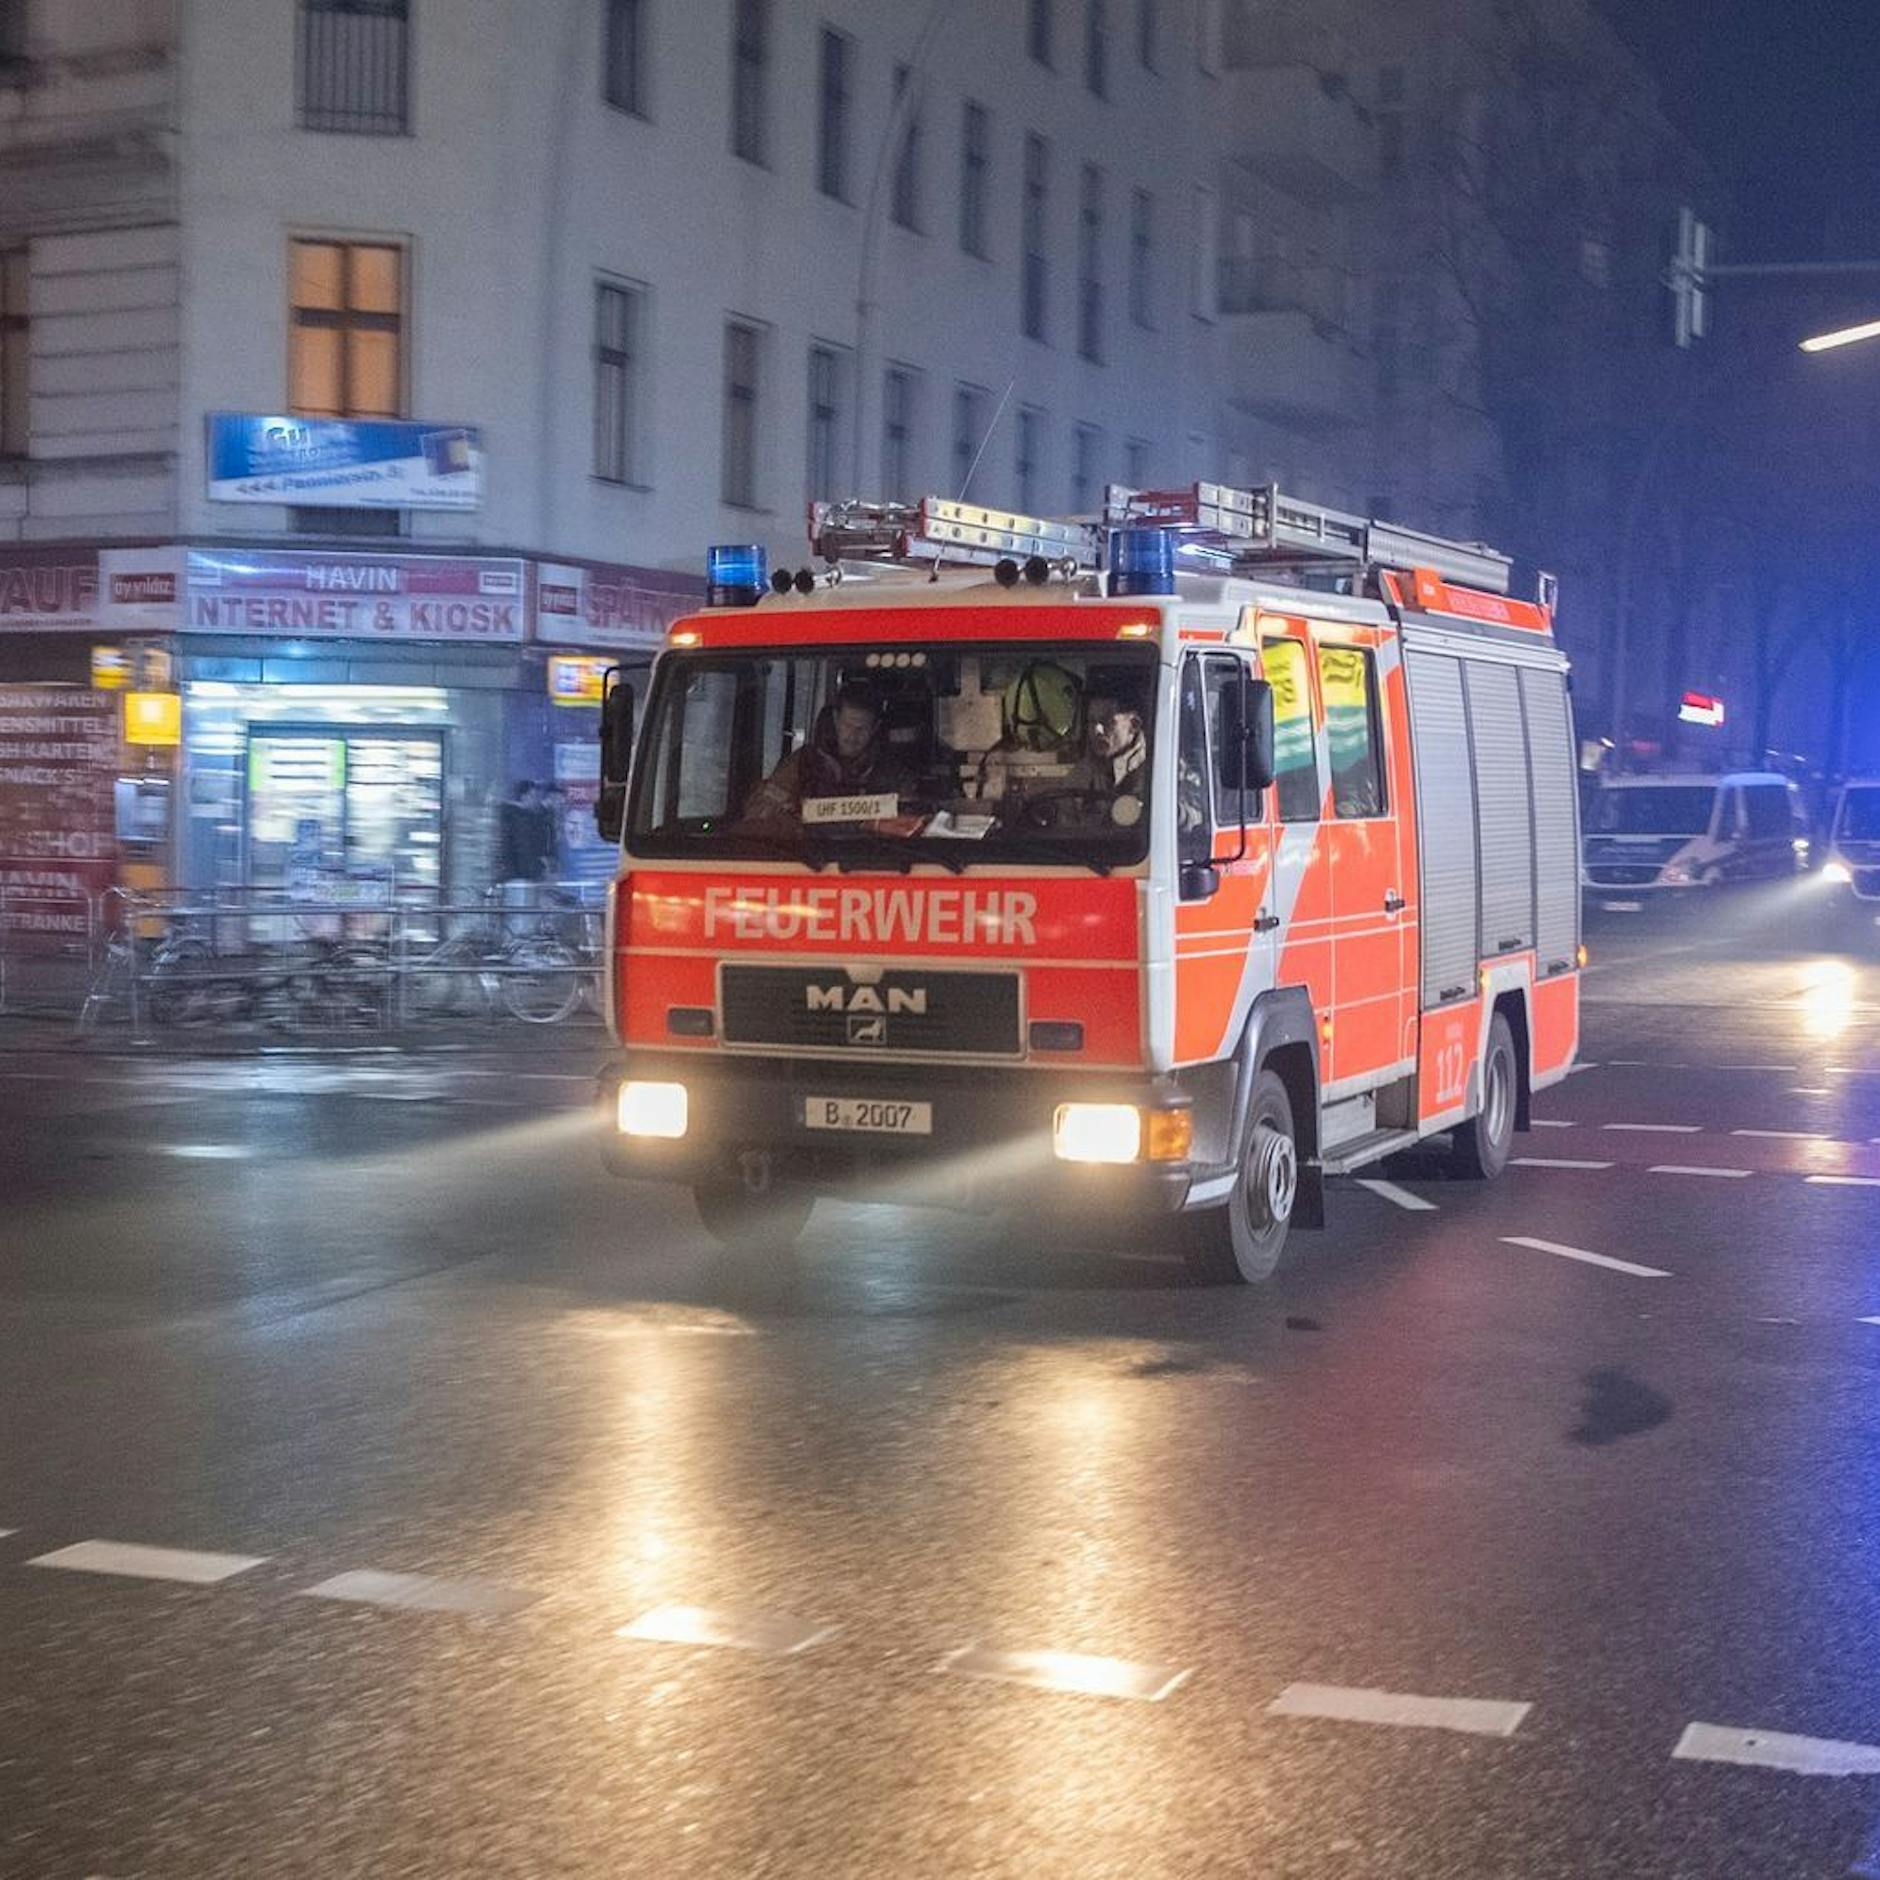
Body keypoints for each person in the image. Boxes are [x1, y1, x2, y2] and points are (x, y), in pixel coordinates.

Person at [742, 680, 904, 825]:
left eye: (862, 729)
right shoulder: (804, 762)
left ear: (875, 728)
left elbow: (910, 820)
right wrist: (788, 813)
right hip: (807, 852)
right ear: (835, 719)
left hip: (871, 854)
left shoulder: (892, 772)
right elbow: (759, 811)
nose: (853, 736)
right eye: (848, 725)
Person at [497, 780, 547, 883]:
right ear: (523, 796)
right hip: (519, 876)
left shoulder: (511, 816)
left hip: (512, 874)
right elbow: (524, 849)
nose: (537, 800)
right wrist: (537, 870)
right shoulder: (521, 820)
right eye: (534, 796)